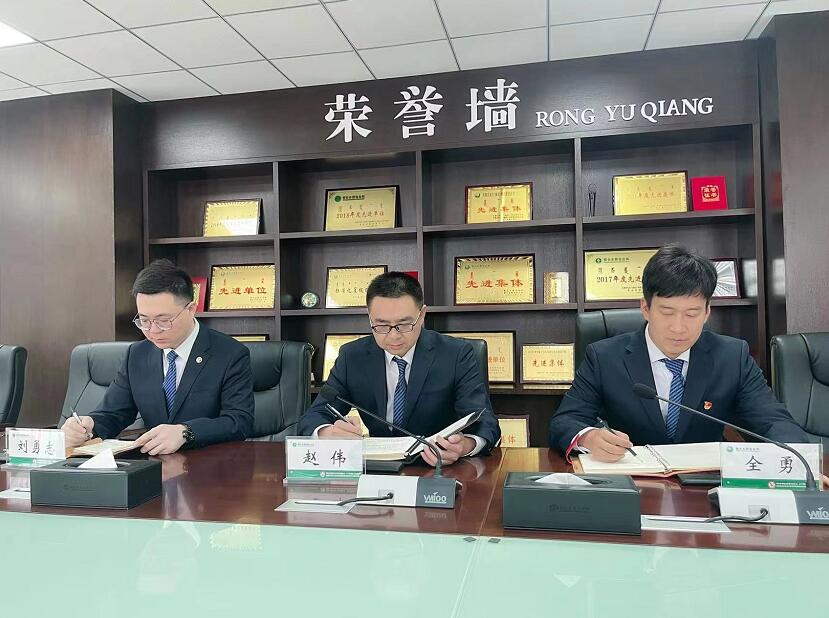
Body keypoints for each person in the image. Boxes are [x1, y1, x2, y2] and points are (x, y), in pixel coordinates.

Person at [549, 245, 809, 462]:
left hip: (705, 486)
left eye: (692, 314)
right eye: (667, 312)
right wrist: (588, 437)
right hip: (633, 481)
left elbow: (774, 422)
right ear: (645, 308)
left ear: (707, 312)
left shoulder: (732, 357)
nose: (678, 327)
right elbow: (565, 421)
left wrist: (797, 460)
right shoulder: (604, 357)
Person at [298, 271, 500, 466]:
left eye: (404, 325)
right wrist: (327, 433)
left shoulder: (456, 354)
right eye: (382, 325)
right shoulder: (352, 356)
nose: (393, 336)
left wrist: (463, 446)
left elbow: (486, 423)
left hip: (436, 468)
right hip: (375, 468)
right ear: (370, 318)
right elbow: (314, 417)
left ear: (422, 315)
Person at [62, 259, 254, 455]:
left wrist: (186, 432)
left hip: (210, 463)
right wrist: (89, 426)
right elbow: (114, 414)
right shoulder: (137, 354)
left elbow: (239, 421)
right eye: (144, 320)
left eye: (163, 320)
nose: (153, 331)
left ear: (190, 309)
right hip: (154, 464)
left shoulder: (230, 354)